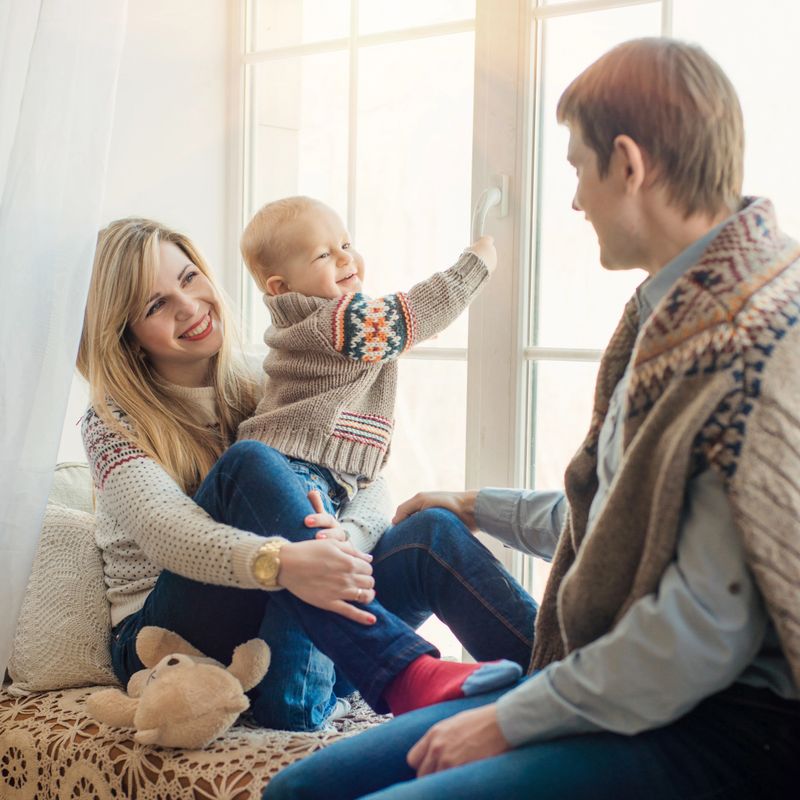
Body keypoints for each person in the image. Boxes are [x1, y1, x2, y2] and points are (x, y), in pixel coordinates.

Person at [262, 37, 800, 799]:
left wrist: (506, 722)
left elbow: (700, 637)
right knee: (298, 792)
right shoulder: (675, 306)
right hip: (638, 694)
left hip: (721, 729)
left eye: (578, 168)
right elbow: (623, 520)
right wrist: (477, 504)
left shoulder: (750, 346)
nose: (575, 200)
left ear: (628, 164)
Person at [77, 216, 536, 733]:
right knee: (248, 465)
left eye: (188, 279)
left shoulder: (263, 377)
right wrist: (283, 561)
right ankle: (402, 668)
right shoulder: (111, 421)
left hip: (280, 614)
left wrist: (347, 538)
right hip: (168, 643)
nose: (188, 306)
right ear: (127, 334)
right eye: (155, 305)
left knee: (430, 535)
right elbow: (166, 532)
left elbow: (364, 480)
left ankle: (565, 679)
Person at [237, 196, 495, 507]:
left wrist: (401, 339)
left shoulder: (303, 322)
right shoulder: (337, 320)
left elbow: (344, 363)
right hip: (302, 467)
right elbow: (416, 311)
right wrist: (475, 266)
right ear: (282, 287)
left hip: (303, 463)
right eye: (323, 255)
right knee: (317, 547)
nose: (345, 259)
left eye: (345, 245)